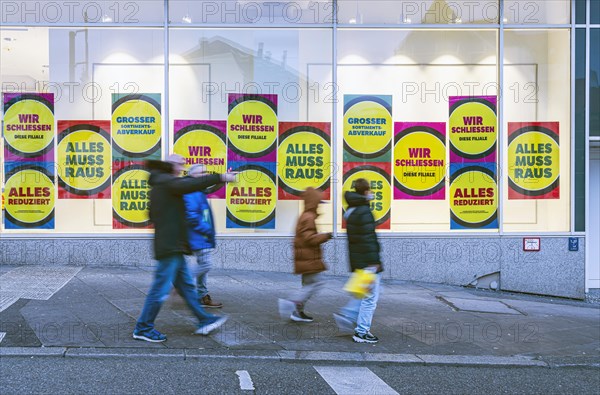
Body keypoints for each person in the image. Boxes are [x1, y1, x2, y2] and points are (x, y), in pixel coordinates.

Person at [132, 154, 236, 343]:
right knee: (160, 289)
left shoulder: (165, 182)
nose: (182, 167)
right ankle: (143, 328)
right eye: (180, 164)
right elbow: (186, 185)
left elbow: (185, 188)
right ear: (170, 165)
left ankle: (204, 320)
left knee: (187, 287)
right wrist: (220, 177)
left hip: (174, 245)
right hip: (169, 246)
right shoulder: (165, 181)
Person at [334, 178, 383, 344]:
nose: (371, 193)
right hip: (368, 261)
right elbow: (369, 239)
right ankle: (362, 332)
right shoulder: (364, 211)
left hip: (358, 259)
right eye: (369, 190)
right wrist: (374, 262)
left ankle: (347, 315)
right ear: (365, 192)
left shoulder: (352, 210)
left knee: (362, 293)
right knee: (370, 299)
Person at [279, 187, 332, 322]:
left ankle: (297, 312)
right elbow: (309, 238)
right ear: (313, 202)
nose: (320, 206)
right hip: (308, 258)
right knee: (316, 284)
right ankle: (293, 302)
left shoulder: (306, 215)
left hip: (306, 258)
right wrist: (326, 236)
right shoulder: (308, 217)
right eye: (319, 203)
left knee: (308, 285)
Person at [183, 164, 222, 309]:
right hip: (199, 235)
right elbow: (192, 216)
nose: (205, 175)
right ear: (192, 175)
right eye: (202, 173)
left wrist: (221, 180)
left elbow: (210, 189)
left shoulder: (197, 188)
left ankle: (202, 295)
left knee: (203, 265)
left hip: (202, 235)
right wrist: (207, 230)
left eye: (206, 173)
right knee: (206, 264)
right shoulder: (191, 190)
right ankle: (183, 284)